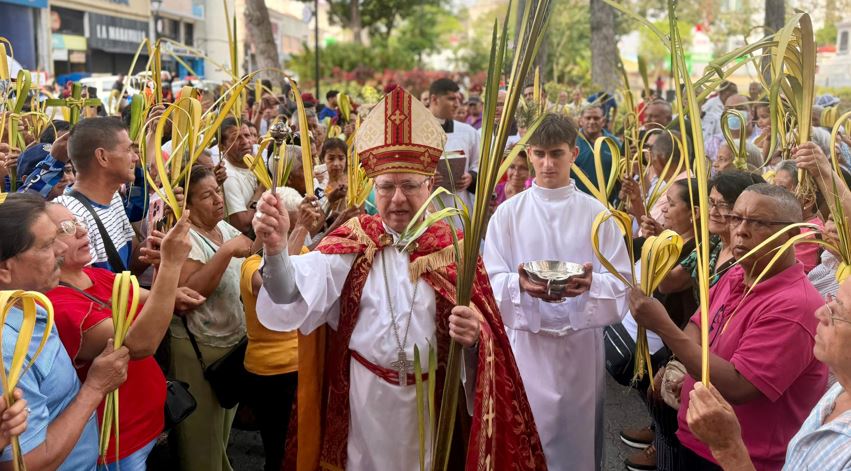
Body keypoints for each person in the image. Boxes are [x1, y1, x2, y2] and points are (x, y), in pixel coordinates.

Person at [252, 86, 546, 470]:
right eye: (386, 187)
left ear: (430, 185)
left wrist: (475, 337)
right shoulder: (353, 243)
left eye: (408, 185)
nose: (397, 199)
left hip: (430, 403)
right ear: (374, 188)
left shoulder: (455, 247)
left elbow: (487, 342)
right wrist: (275, 250)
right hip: (365, 400)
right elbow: (288, 294)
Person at [629, 183, 828, 470]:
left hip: (741, 457)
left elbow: (738, 385)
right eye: (736, 218)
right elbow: (698, 323)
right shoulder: (736, 272)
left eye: (759, 222)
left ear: (791, 234)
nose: (741, 230)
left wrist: (662, 325)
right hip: (695, 437)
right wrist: (688, 362)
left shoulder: (796, 305)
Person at [483, 112, 632, 471]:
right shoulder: (507, 214)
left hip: (579, 347)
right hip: (526, 346)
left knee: (576, 445)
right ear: (529, 154)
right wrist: (519, 284)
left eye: (557, 153)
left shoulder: (598, 215)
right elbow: (490, 279)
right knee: (528, 437)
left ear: (574, 153)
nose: (547, 163)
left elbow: (622, 283)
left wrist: (589, 285)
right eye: (539, 154)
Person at [44, 204, 202, 470]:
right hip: (119, 443)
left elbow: (152, 299)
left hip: (151, 425)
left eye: (78, 222)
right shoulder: (58, 305)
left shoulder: (92, 275)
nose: (83, 231)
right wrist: (172, 264)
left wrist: (165, 268)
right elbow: (139, 344)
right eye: (67, 229)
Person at [0, 193, 129, 470]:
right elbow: (27, 463)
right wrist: (94, 388)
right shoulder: (6, 351)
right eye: (46, 245)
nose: (61, 249)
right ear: (4, 269)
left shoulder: (31, 303)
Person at [686, 273, 851, 471]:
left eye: (837, 313)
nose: (820, 314)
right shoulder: (839, 393)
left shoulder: (795, 304)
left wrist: (728, 449)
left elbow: (739, 385)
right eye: (831, 300)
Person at [171, 166, 254, 471]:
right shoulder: (184, 237)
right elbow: (189, 294)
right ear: (187, 207)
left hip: (230, 346)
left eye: (217, 191)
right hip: (199, 352)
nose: (219, 200)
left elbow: (252, 255)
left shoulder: (223, 229)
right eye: (207, 195)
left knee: (219, 433)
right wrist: (227, 252)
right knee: (199, 442)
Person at [239, 197, 324, 471]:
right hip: (270, 374)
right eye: (280, 225)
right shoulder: (251, 265)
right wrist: (296, 230)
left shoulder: (306, 250)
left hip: (303, 366)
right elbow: (275, 287)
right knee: (278, 450)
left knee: (304, 446)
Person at [53, 118, 150, 274]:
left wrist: (162, 239)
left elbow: (127, 266)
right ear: (102, 157)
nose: (135, 158)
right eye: (128, 150)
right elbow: (91, 291)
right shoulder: (72, 217)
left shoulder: (114, 198)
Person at [428, 78, 480, 221]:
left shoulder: (468, 132)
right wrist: (426, 178)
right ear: (434, 99)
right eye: (451, 99)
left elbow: (478, 164)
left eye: (458, 99)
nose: (457, 104)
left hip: (459, 209)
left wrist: (470, 177)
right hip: (428, 210)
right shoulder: (416, 132)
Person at [219, 117, 264, 235]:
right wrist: (260, 191)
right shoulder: (227, 176)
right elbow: (242, 225)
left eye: (247, 135)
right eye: (236, 138)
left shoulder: (256, 162)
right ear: (222, 147)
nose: (245, 141)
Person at [574, 104, 623, 199]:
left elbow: (621, 171)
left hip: (607, 203)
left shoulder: (613, 143)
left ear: (603, 121)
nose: (592, 122)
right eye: (588, 118)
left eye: (596, 118)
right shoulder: (571, 141)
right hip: (578, 201)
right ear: (581, 121)